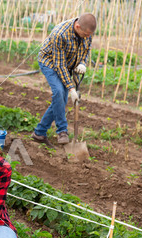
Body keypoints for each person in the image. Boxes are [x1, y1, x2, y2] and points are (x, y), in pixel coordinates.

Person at [31, 13, 97, 146]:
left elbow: (86, 49)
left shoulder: (87, 30)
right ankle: (62, 131)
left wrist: (83, 62)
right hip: (50, 62)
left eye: (89, 35)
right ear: (77, 26)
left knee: (60, 99)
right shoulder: (59, 34)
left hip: (69, 63)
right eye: (85, 34)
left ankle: (39, 133)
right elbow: (59, 65)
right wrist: (71, 88)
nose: (88, 37)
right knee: (59, 93)